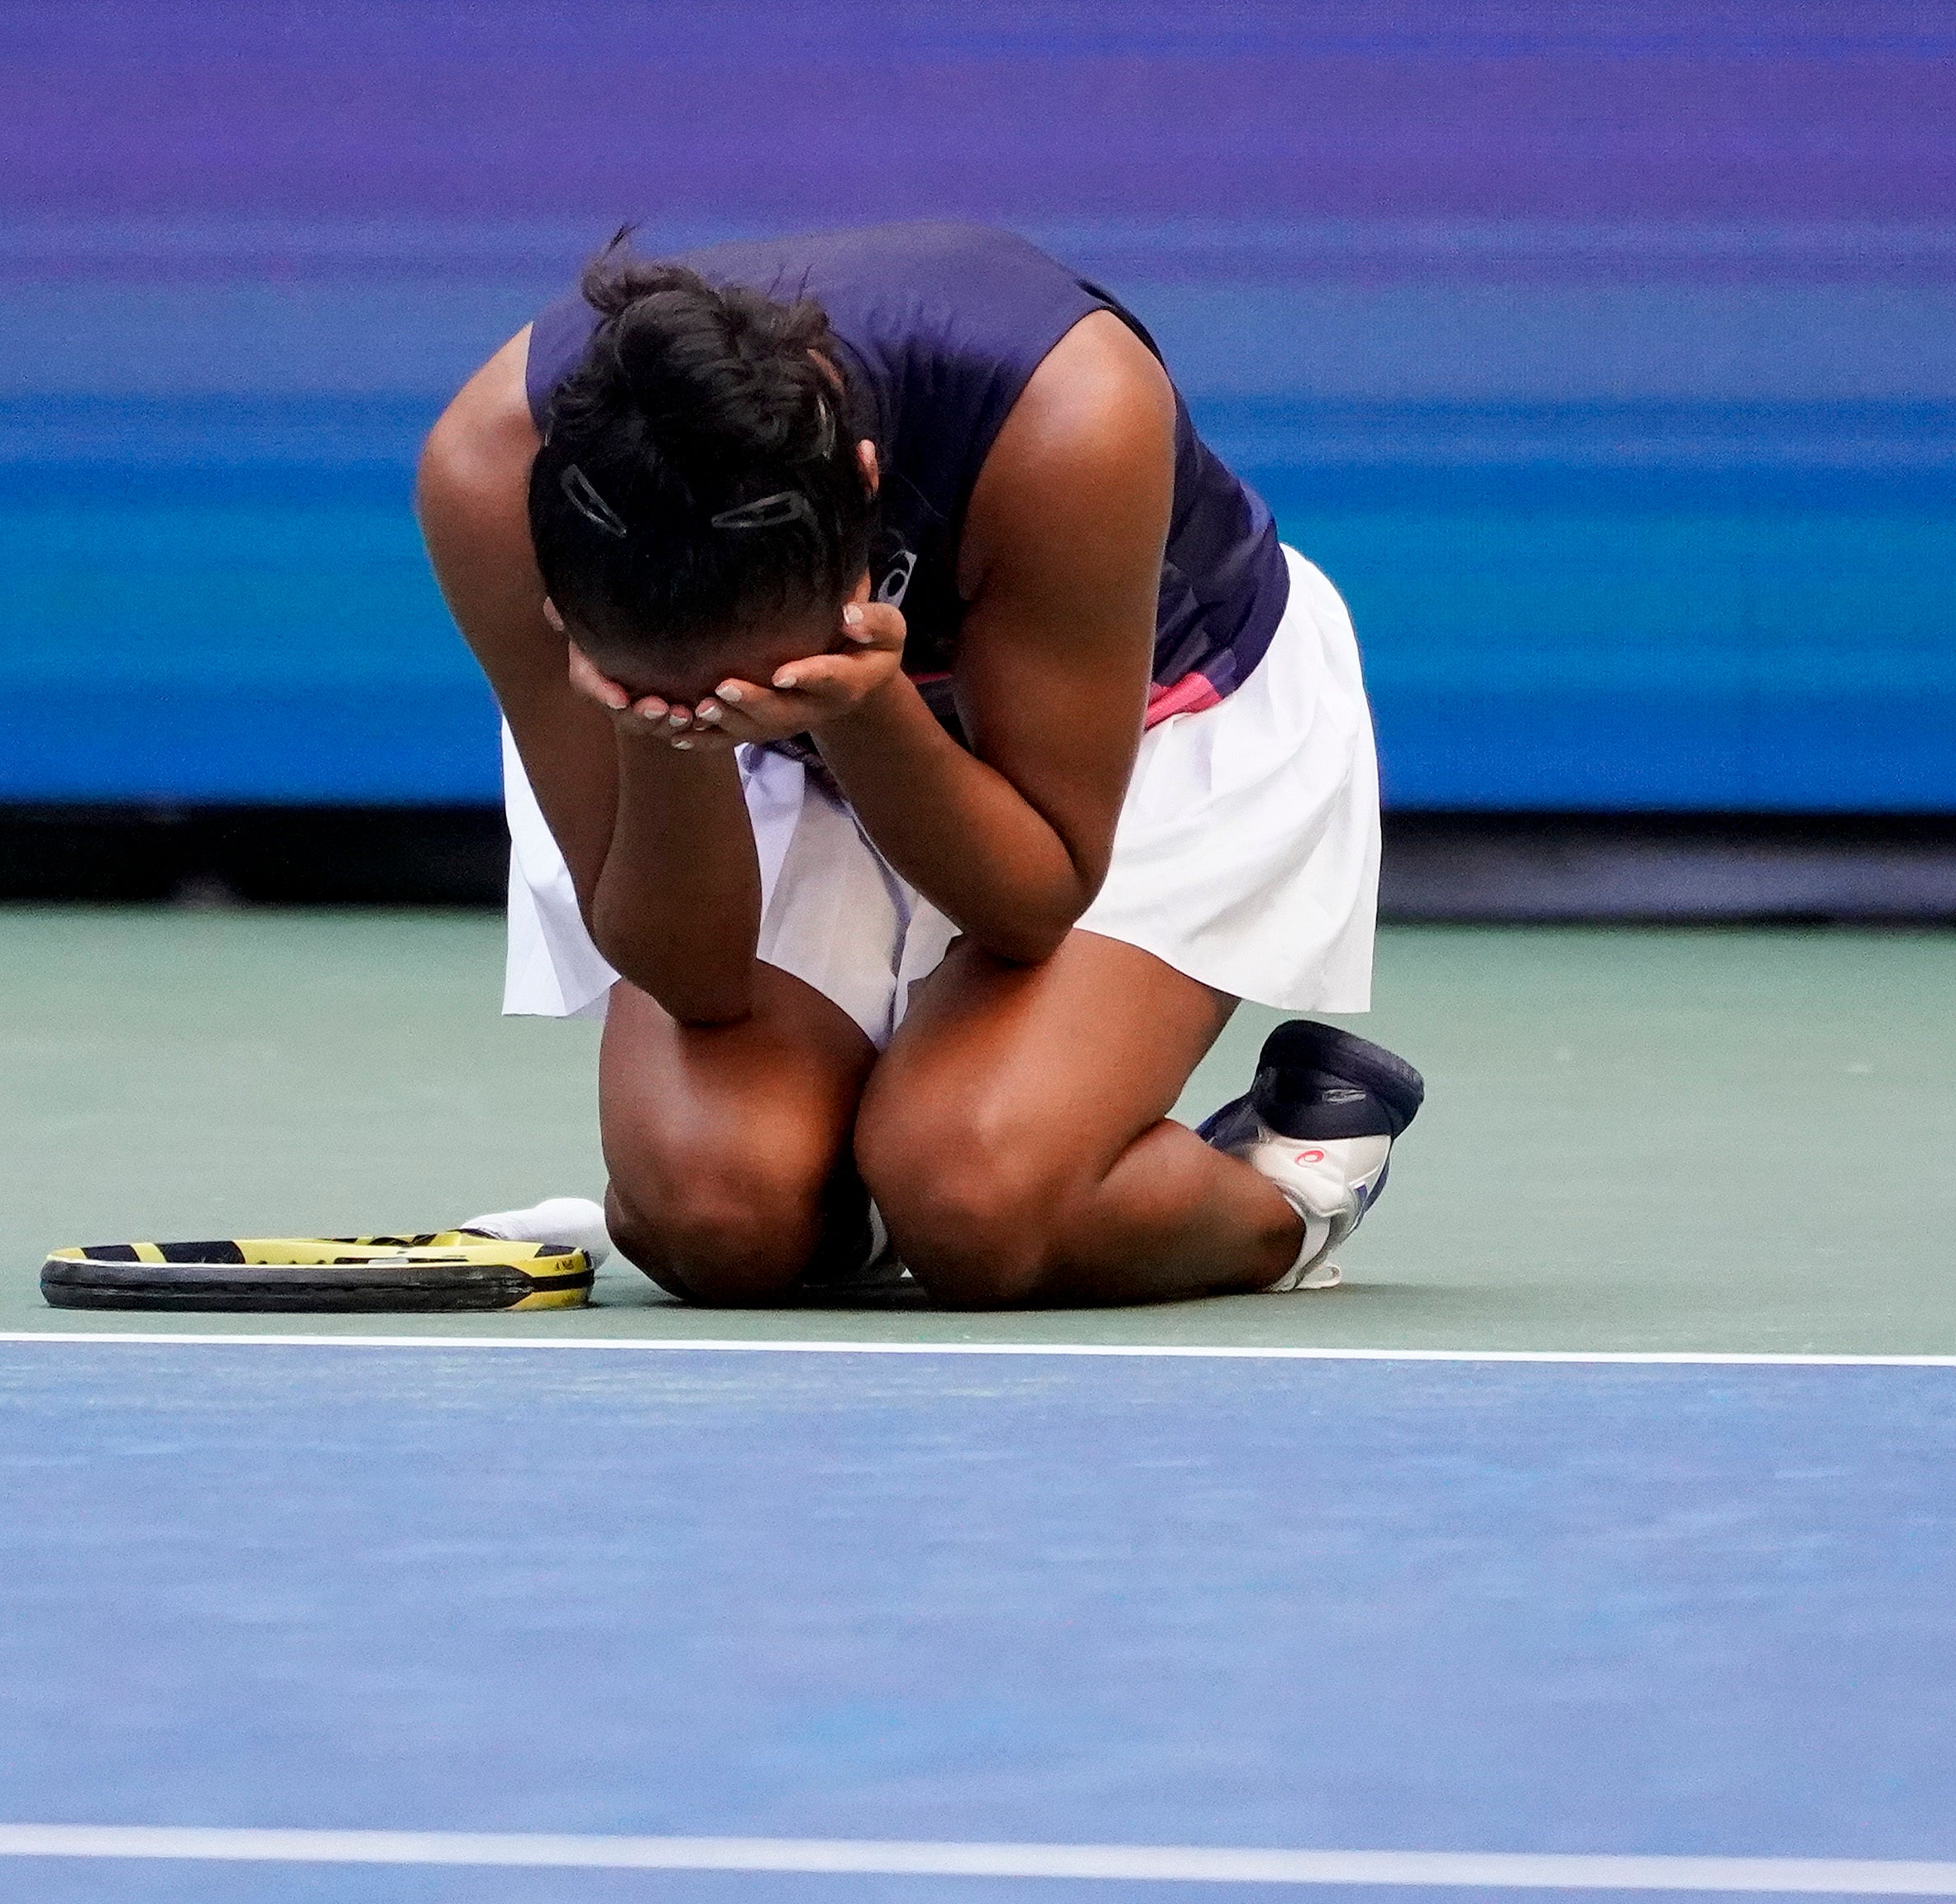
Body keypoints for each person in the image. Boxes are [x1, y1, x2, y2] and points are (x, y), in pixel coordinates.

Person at [417, 222, 1420, 1308]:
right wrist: (663, 737)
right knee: (710, 1212)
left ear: (863, 490)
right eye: (678, 690)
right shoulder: (486, 475)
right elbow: (693, 980)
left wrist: (868, 708)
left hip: (1146, 730)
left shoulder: (1067, 410)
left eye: (747, 681)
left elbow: (1032, 900)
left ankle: (1284, 1192)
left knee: (977, 1200)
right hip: (811, 751)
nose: (714, 706)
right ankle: (860, 1183)